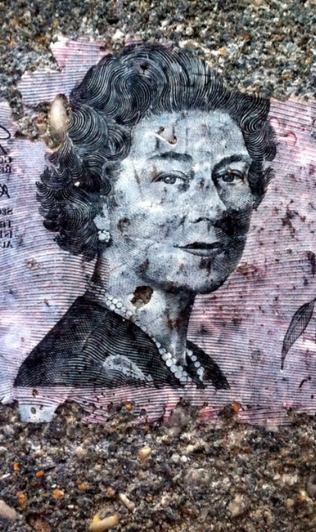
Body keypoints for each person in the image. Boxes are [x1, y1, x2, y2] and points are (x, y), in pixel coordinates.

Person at [15, 44, 276, 389]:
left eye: (230, 176)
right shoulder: (76, 369)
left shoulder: (199, 369)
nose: (214, 207)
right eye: (170, 179)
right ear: (98, 198)